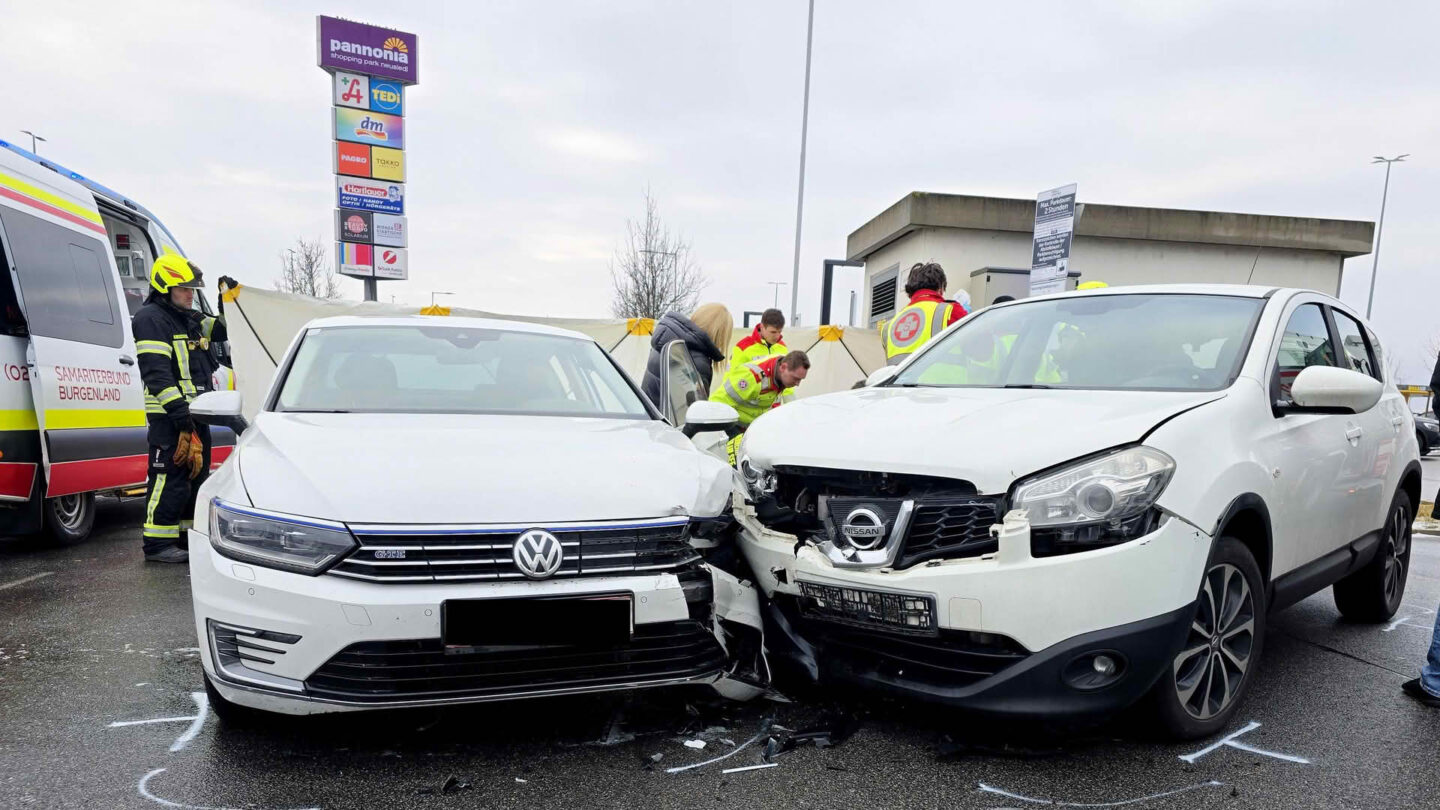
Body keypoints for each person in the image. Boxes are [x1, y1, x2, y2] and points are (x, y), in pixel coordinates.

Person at [133, 253, 222, 563]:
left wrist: (230, 302)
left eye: (192, 288)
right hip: (170, 417)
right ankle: (156, 544)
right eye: (184, 288)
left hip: (196, 414)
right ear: (165, 288)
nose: (190, 294)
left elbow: (223, 331)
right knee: (167, 478)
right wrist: (180, 415)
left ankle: (184, 537)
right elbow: (156, 373)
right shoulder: (151, 319)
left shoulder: (189, 317)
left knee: (194, 479)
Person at [710, 350, 810, 464]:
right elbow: (715, 404)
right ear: (783, 367)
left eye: (801, 379)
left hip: (750, 428)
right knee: (740, 466)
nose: (798, 384)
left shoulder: (779, 372)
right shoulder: (751, 377)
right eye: (796, 378)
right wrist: (728, 435)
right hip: (730, 427)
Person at [640, 303, 733, 406]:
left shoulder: (667, 343)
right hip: (667, 422)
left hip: (649, 417)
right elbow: (695, 413)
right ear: (720, 335)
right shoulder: (697, 362)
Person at [884, 262, 968, 365]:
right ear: (941, 288)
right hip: (942, 380)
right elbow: (982, 353)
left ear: (909, 293)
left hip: (898, 382)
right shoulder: (951, 311)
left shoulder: (889, 326)